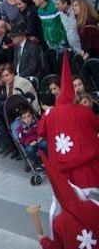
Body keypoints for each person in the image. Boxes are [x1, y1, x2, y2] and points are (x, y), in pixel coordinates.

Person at [38, 52, 99, 190]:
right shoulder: (82, 111)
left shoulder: (49, 113)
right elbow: (96, 126)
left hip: (62, 169)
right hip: (86, 167)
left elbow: (41, 131)